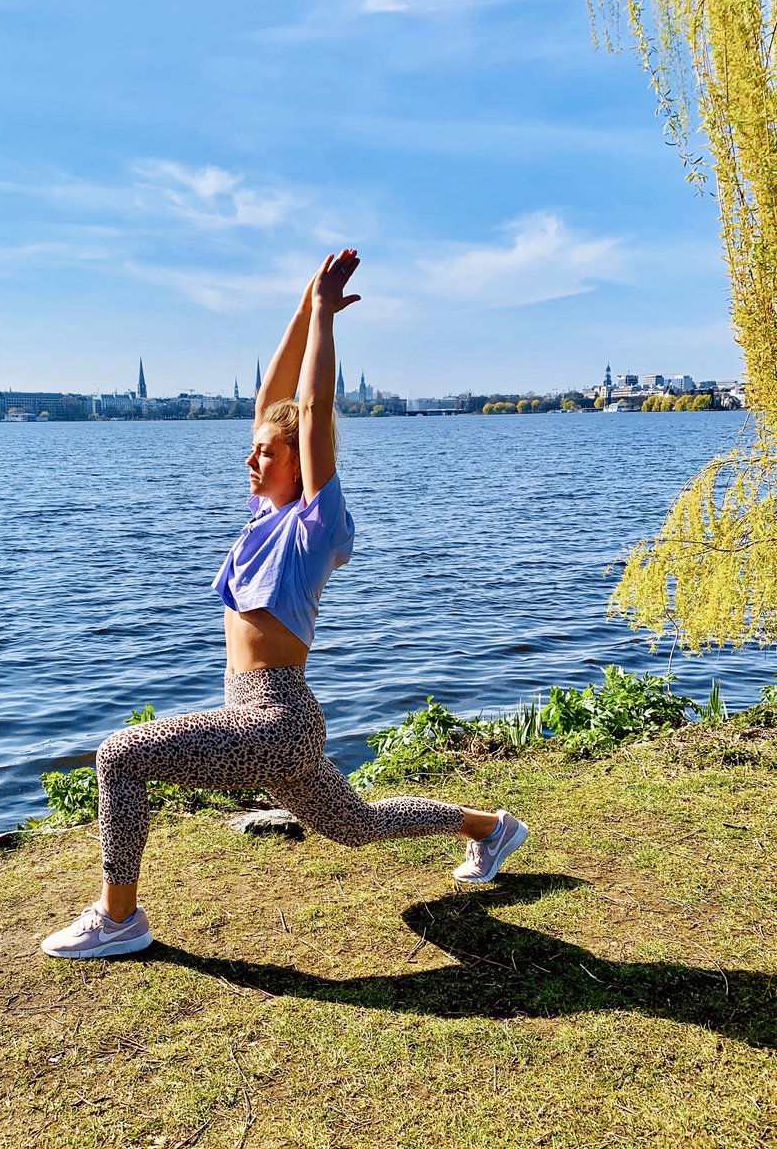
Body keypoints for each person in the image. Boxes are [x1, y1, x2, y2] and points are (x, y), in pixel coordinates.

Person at [41, 249, 528, 959]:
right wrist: (301, 311)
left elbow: (313, 409)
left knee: (119, 756)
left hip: (275, 717)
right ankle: (491, 829)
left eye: (269, 453)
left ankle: (120, 918)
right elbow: (271, 401)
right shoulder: (264, 517)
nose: (251, 459)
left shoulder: (314, 524)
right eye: (256, 451)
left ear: (304, 462)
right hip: (259, 719)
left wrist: (327, 323)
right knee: (357, 826)